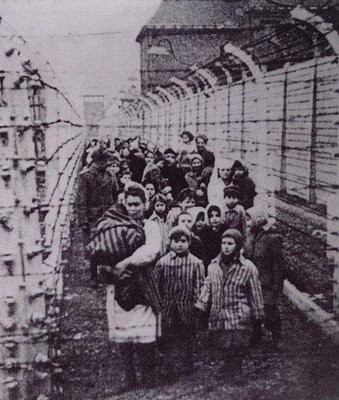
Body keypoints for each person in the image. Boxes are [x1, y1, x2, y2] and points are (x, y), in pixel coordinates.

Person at [106, 184, 162, 392]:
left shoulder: (150, 226)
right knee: (124, 331)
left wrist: (126, 261)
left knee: (145, 330)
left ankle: (150, 375)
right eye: (130, 204)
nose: (133, 208)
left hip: (143, 282)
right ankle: (130, 377)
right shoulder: (116, 226)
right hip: (120, 283)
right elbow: (106, 249)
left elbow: (151, 251)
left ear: (145, 204)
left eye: (137, 204)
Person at [195, 229, 264, 382]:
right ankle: (228, 365)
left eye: (230, 244)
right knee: (223, 341)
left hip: (238, 310)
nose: (226, 247)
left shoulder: (247, 267)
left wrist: (258, 313)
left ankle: (237, 369)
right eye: (223, 243)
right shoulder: (213, 266)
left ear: (238, 245)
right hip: (219, 311)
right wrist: (202, 304)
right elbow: (208, 285)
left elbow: (255, 291)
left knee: (237, 342)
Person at [155, 226, 205, 380]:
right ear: (170, 242)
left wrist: (198, 304)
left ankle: (187, 363)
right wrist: (159, 304)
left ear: (189, 242)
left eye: (183, 241)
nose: (179, 244)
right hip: (168, 307)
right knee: (168, 336)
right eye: (176, 241)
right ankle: (168, 365)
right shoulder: (162, 262)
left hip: (187, 307)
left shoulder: (196, 263)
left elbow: (200, 285)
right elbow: (157, 285)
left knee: (187, 336)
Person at [243, 207, 286, 350]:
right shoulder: (249, 236)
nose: (247, 222)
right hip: (252, 280)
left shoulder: (272, 239)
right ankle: (256, 333)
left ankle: (277, 336)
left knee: (270, 309)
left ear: (258, 220)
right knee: (253, 307)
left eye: (249, 219)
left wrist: (276, 286)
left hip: (267, 282)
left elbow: (278, 266)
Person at [76, 147, 119, 288]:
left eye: (107, 160)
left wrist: (116, 213)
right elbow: (81, 200)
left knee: (109, 244)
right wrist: (83, 220)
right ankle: (93, 276)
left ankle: (107, 274)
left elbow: (115, 195)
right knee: (94, 248)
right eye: (103, 160)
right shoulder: (85, 176)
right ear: (95, 161)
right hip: (92, 217)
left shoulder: (111, 175)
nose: (106, 163)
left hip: (108, 215)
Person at [198, 205, 226, 269]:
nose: (214, 218)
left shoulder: (225, 230)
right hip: (207, 262)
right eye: (211, 216)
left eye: (217, 215)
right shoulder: (204, 232)